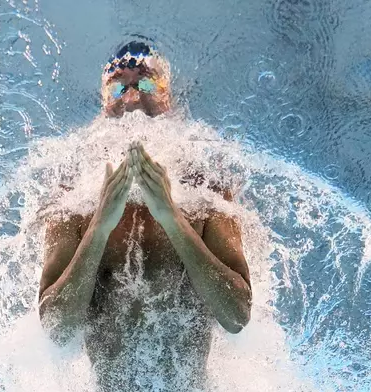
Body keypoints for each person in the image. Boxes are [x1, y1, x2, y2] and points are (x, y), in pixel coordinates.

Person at [37, 41, 253, 390]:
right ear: (104, 104)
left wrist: (172, 217)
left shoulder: (207, 190)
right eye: (119, 87)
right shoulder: (71, 199)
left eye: (148, 84)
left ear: (171, 101)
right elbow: (57, 330)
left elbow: (237, 316)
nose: (134, 99)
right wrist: (99, 227)